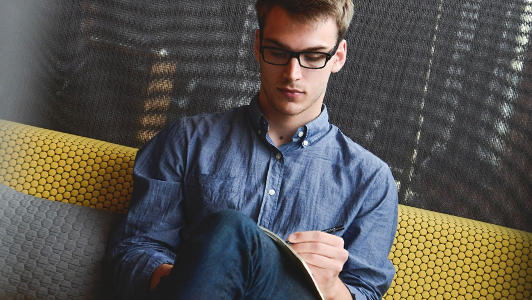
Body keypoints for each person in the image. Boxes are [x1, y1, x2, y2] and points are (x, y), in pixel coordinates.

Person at [106, 0, 398, 299]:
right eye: (278, 52)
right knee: (229, 230)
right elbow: (134, 251)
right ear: (258, 46)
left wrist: (332, 287)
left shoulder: (370, 179)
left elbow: (367, 291)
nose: (292, 73)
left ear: (338, 57)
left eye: (312, 56)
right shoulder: (186, 140)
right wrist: (198, 274)